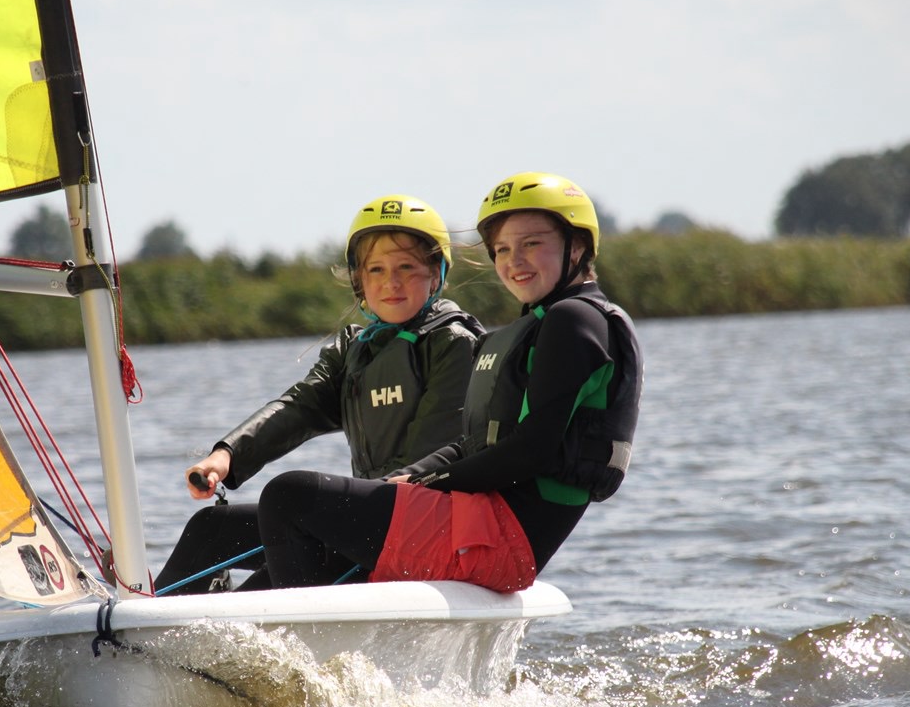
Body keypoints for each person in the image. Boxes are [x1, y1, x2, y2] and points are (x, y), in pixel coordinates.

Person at [252, 172, 643, 592]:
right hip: (480, 524)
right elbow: (477, 444)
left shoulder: (574, 320)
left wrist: (430, 483)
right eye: (502, 249)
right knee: (292, 540)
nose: (514, 261)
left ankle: (306, 649)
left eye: (532, 244)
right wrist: (410, 477)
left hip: (497, 539)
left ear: (578, 245)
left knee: (288, 496)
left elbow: (533, 449)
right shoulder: (544, 324)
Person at [154, 195, 484, 594]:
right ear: (359, 279)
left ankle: (283, 642)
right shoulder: (353, 348)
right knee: (210, 529)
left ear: (436, 273)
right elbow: (300, 407)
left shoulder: (453, 343)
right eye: (375, 269)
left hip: (417, 527)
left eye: (406, 268)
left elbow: (433, 452)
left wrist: (347, 515)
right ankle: (146, 635)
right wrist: (226, 455)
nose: (390, 282)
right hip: (363, 523)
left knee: (291, 503)